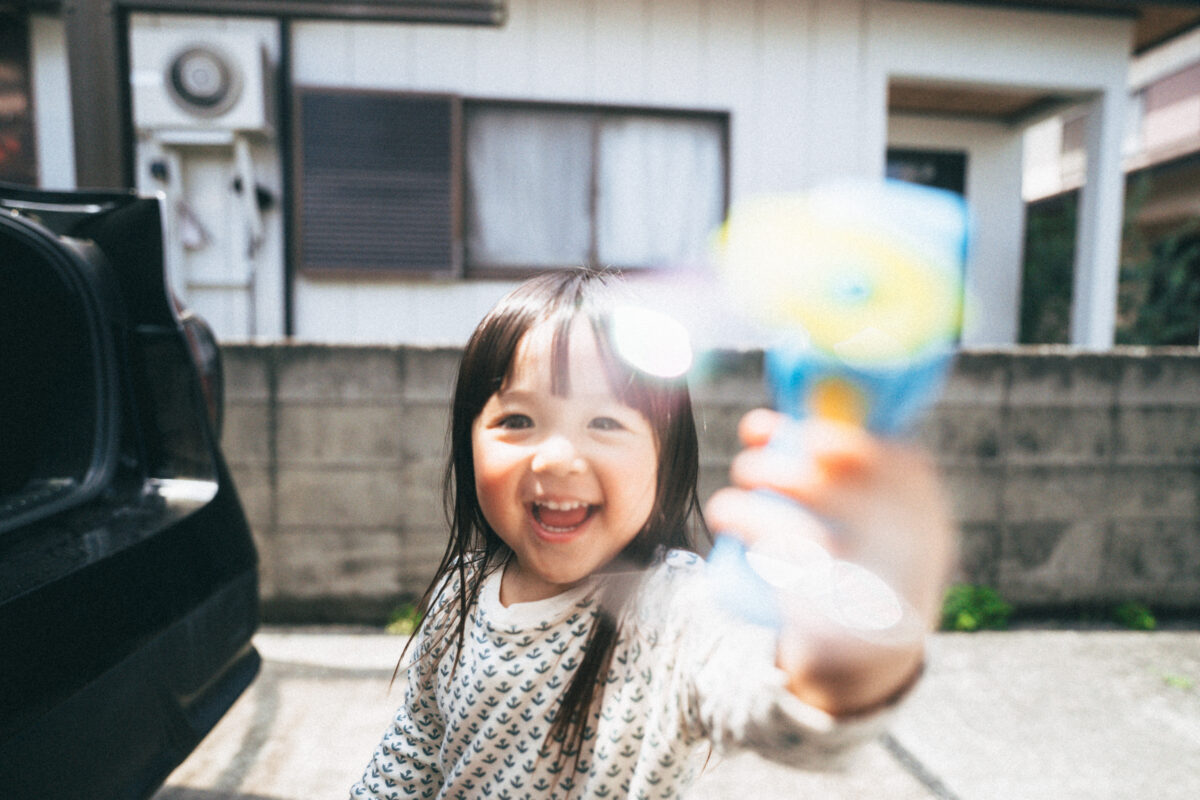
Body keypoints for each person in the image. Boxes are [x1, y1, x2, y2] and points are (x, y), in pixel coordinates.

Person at [351, 268, 957, 799]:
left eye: (604, 421)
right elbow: (414, 744)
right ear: (468, 443)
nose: (557, 456)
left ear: (665, 458)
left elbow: (772, 709)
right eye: (517, 419)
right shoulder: (459, 594)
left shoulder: (672, 611)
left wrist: (849, 660)